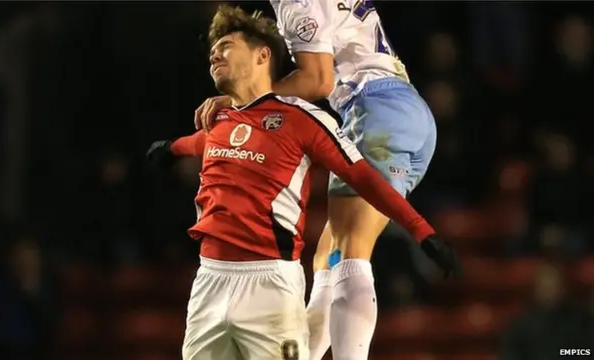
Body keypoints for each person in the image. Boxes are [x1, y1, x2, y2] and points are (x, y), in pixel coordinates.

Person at [148, 5, 459, 360]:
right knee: (328, 257)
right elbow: (202, 142)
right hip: (402, 110)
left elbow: (318, 80)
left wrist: (251, 101)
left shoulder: (295, 4)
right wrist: (174, 148)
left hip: (374, 106)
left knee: (348, 249)